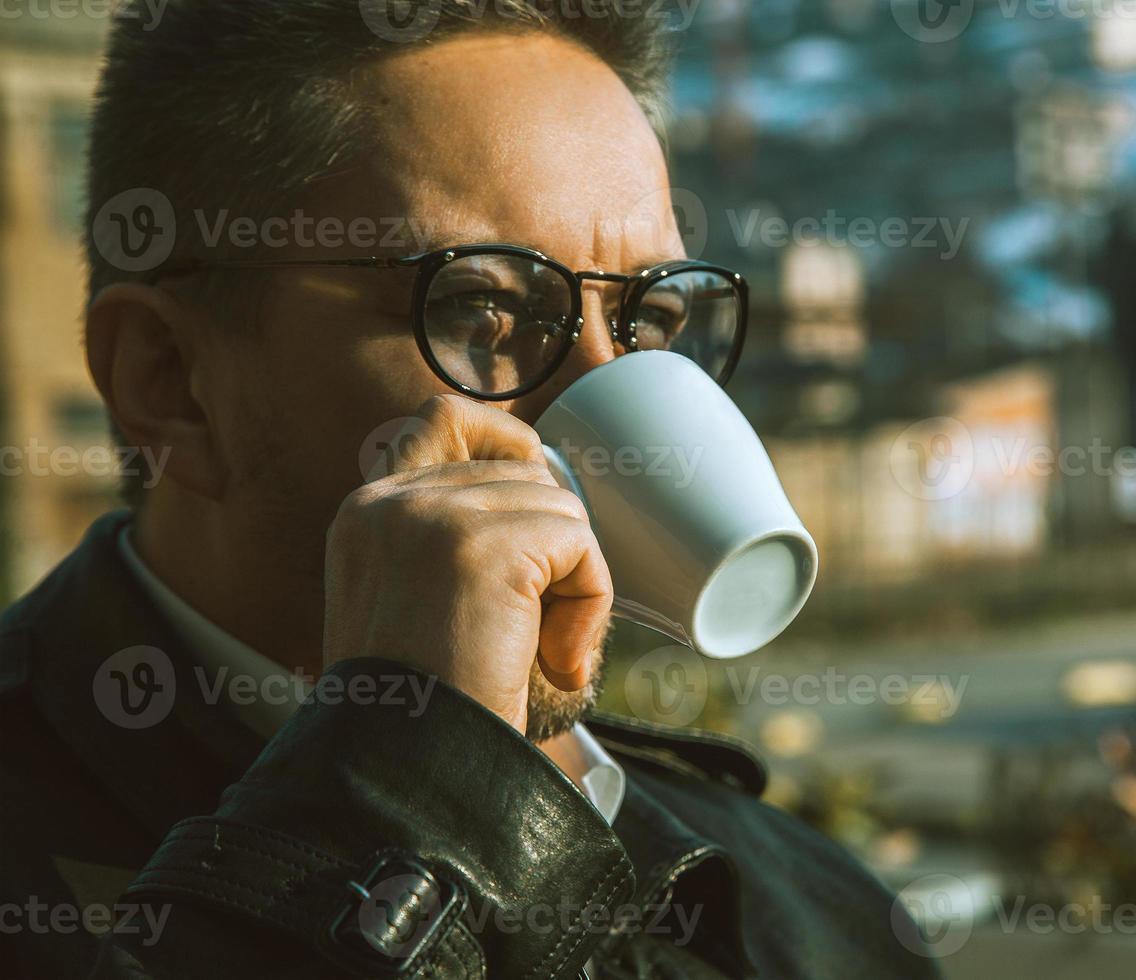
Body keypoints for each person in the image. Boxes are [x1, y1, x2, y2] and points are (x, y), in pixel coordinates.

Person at [0, 3, 937, 977]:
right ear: (172, 382)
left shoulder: (801, 910)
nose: (609, 391)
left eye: (650, 317)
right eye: (485, 305)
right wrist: (406, 795)